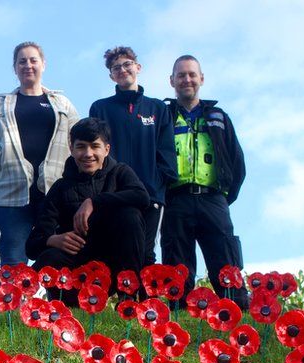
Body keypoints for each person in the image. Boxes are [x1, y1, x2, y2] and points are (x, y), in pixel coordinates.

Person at [0, 42, 79, 268]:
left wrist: (72, 178)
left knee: (56, 258)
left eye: (33, 60)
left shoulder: (62, 103)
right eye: (22, 61)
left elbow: (79, 142)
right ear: (15, 67)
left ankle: (59, 303)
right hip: (10, 195)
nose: (28, 65)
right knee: (13, 261)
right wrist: (1, 160)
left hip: (54, 191)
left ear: (43, 64)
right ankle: (11, 304)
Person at [27, 118, 148, 305]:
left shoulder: (121, 172)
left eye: (95, 146)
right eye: (81, 147)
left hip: (114, 262)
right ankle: (64, 304)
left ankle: (128, 298)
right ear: (72, 149)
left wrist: (94, 201)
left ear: (106, 149)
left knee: (130, 216)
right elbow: (32, 246)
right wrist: (52, 240)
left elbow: (142, 197)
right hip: (77, 268)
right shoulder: (60, 188)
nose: (88, 154)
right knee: (49, 256)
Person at [162, 55, 249, 308]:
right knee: (176, 265)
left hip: (213, 198)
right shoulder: (164, 116)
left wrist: (223, 196)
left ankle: (237, 312)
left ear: (201, 78)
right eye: (181, 75)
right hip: (175, 199)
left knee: (225, 260)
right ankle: (177, 316)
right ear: (172, 81)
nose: (186, 79)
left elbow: (237, 160)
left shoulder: (219, 117)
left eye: (191, 74)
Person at [89, 46, 176, 267]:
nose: (122, 69)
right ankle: (124, 301)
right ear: (111, 75)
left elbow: (166, 150)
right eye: (116, 67)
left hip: (150, 194)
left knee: (146, 256)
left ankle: (146, 302)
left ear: (138, 67)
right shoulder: (100, 108)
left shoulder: (157, 108)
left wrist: (159, 182)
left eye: (127, 64)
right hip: (114, 194)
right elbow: (95, 150)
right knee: (116, 253)